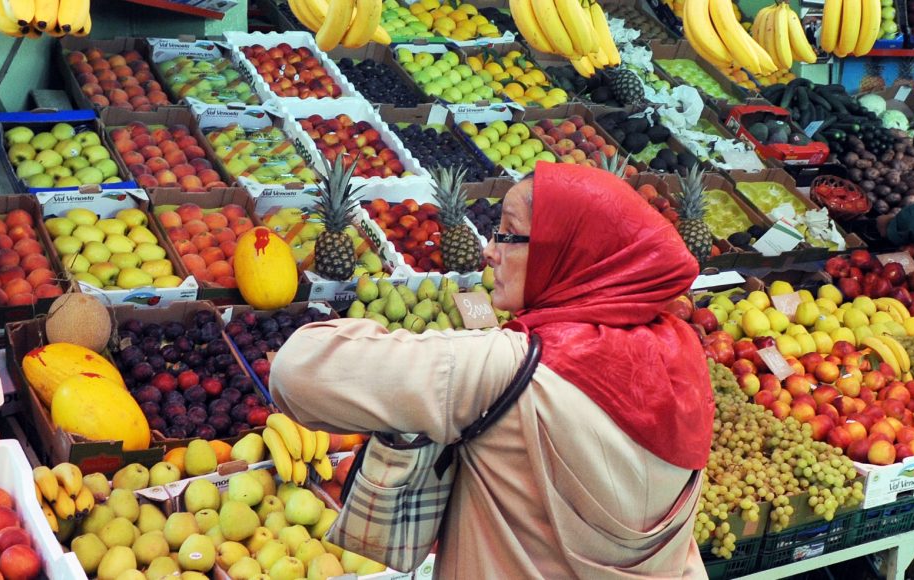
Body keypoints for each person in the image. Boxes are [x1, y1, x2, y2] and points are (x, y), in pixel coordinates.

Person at [270, 163, 715, 579]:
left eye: (508, 235)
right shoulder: (683, 356)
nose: (489, 250)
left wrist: (389, 334)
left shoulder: (509, 366)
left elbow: (297, 369)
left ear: (567, 251)